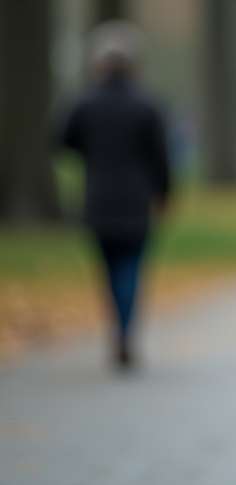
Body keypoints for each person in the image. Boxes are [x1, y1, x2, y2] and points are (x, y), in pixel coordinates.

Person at [56, 21, 172, 370]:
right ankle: (125, 332)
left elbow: (62, 140)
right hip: (137, 201)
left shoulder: (83, 102)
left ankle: (117, 331)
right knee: (131, 269)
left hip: (98, 199)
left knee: (108, 269)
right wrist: (165, 192)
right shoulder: (147, 104)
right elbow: (161, 156)